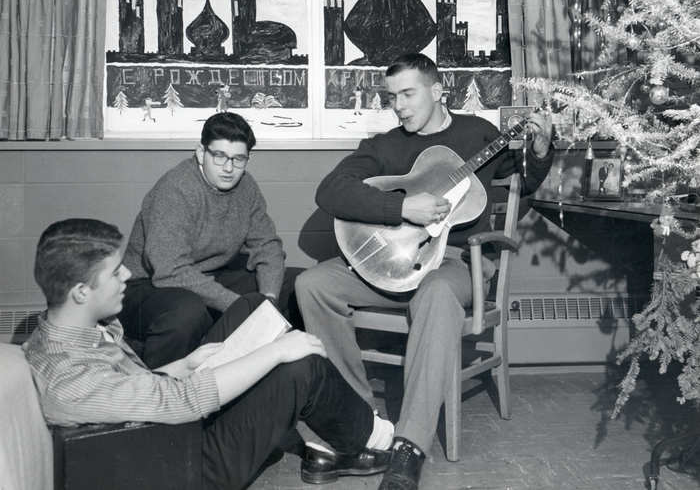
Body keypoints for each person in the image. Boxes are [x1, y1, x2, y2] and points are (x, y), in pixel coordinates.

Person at [295, 53, 554, 490]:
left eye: (408, 94)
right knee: (312, 284)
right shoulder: (384, 147)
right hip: (398, 261)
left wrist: (542, 150)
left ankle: (408, 446)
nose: (399, 106)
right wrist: (400, 206)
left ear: (437, 90)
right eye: (392, 96)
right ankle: (358, 424)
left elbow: (521, 182)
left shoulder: (479, 134)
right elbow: (330, 191)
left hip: (456, 262)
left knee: (435, 292)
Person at [23, 218, 395, 490]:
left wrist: (182, 364)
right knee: (302, 366)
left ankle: (286, 425)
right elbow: (182, 402)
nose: (125, 275)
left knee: (252, 307)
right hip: (190, 466)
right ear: (80, 292)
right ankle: (370, 439)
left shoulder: (67, 331)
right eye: (113, 272)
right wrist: (277, 353)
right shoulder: (68, 378)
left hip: (166, 432)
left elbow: (125, 391)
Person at [118, 111, 301, 369]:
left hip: (209, 274)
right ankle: (163, 390)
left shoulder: (246, 186)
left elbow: (267, 246)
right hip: (146, 286)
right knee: (186, 311)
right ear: (200, 152)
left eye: (238, 159)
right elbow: (170, 271)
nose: (228, 168)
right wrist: (242, 308)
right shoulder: (176, 188)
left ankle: (273, 375)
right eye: (219, 156)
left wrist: (268, 300)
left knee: (297, 285)